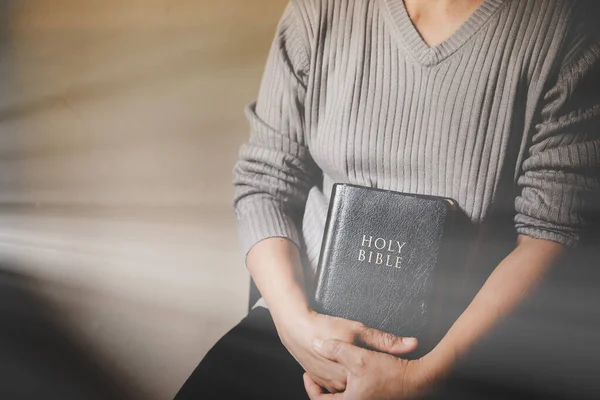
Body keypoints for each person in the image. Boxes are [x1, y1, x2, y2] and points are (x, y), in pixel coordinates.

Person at [175, 0, 600, 399]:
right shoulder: (319, 10)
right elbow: (264, 182)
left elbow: (551, 233)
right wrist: (297, 328)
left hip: (461, 349)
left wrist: (424, 378)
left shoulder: (568, 28)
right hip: (302, 320)